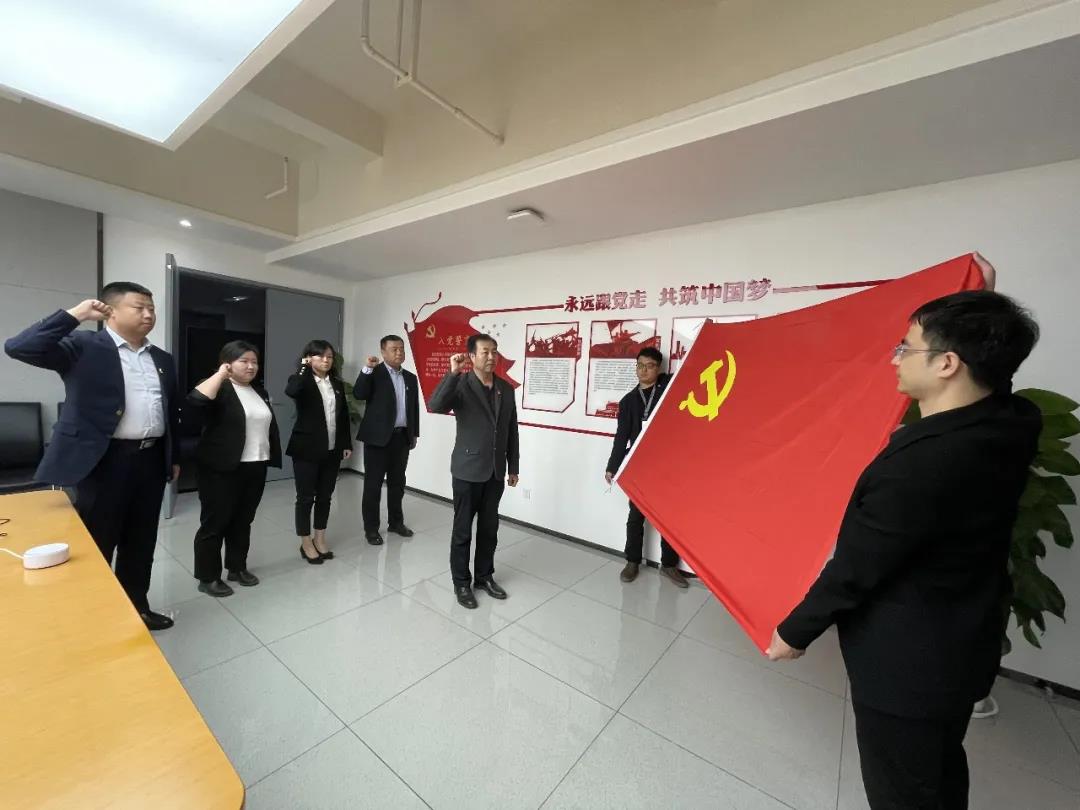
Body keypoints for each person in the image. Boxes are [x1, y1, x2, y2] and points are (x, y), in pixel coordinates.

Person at [767, 262, 1040, 810]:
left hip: (908, 666)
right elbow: (993, 383)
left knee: (904, 790)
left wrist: (793, 632)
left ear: (947, 363)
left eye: (905, 348)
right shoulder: (1012, 422)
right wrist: (977, 304)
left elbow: (859, 566)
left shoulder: (924, 464)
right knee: (937, 772)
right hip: (961, 645)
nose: (894, 357)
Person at [4, 283, 180, 630]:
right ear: (111, 310)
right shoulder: (83, 345)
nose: (149, 314)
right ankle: (91, 620)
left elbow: (169, 410)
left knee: (141, 542)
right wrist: (76, 315)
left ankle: (136, 610)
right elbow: (19, 347)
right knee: (98, 541)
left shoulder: (162, 358)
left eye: (151, 308)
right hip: (101, 461)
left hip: (150, 460)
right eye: (139, 307)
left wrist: (171, 456)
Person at [428, 334, 519, 609]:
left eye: (494, 351)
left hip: (495, 472)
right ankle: (461, 583)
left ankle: (484, 577)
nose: (491, 357)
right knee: (463, 531)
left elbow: (511, 430)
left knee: (489, 529)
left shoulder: (506, 389)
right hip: (467, 470)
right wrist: (452, 374)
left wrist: (513, 466)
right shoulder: (461, 384)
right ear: (471, 356)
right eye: (485, 352)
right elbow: (435, 405)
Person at [186, 341, 281, 597]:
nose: (251, 366)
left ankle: (237, 567)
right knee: (215, 522)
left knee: (243, 520)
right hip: (221, 468)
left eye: (254, 362)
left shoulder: (259, 391)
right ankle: (208, 577)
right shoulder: (219, 387)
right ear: (227, 363)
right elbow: (194, 402)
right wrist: (220, 374)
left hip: (255, 465)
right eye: (244, 361)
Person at [605, 347, 689, 588]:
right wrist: (612, 467)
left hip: (667, 466)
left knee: (668, 518)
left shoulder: (668, 389)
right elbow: (621, 438)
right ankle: (632, 561)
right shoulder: (628, 401)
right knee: (635, 516)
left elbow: (688, 374)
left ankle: (669, 565)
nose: (644, 370)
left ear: (658, 368)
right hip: (639, 467)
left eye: (650, 366)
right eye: (640, 365)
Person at [285, 340, 352, 563]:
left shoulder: (337, 384)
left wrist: (346, 444)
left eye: (329, 356)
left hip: (332, 450)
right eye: (320, 355)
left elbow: (343, 416)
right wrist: (304, 367)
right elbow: (291, 391)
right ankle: (306, 542)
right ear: (308, 357)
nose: (326, 360)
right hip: (306, 449)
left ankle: (320, 538)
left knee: (325, 496)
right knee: (305, 498)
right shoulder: (301, 380)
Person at [353, 334, 420, 545]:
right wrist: (367, 369)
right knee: (373, 486)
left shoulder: (410, 378)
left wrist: (414, 434)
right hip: (377, 440)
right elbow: (359, 393)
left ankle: (396, 523)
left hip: (401, 438)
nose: (399, 352)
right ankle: (371, 528)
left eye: (401, 349)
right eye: (394, 349)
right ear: (383, 352)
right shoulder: (374, 373)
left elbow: (413, 409)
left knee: (397, 484)